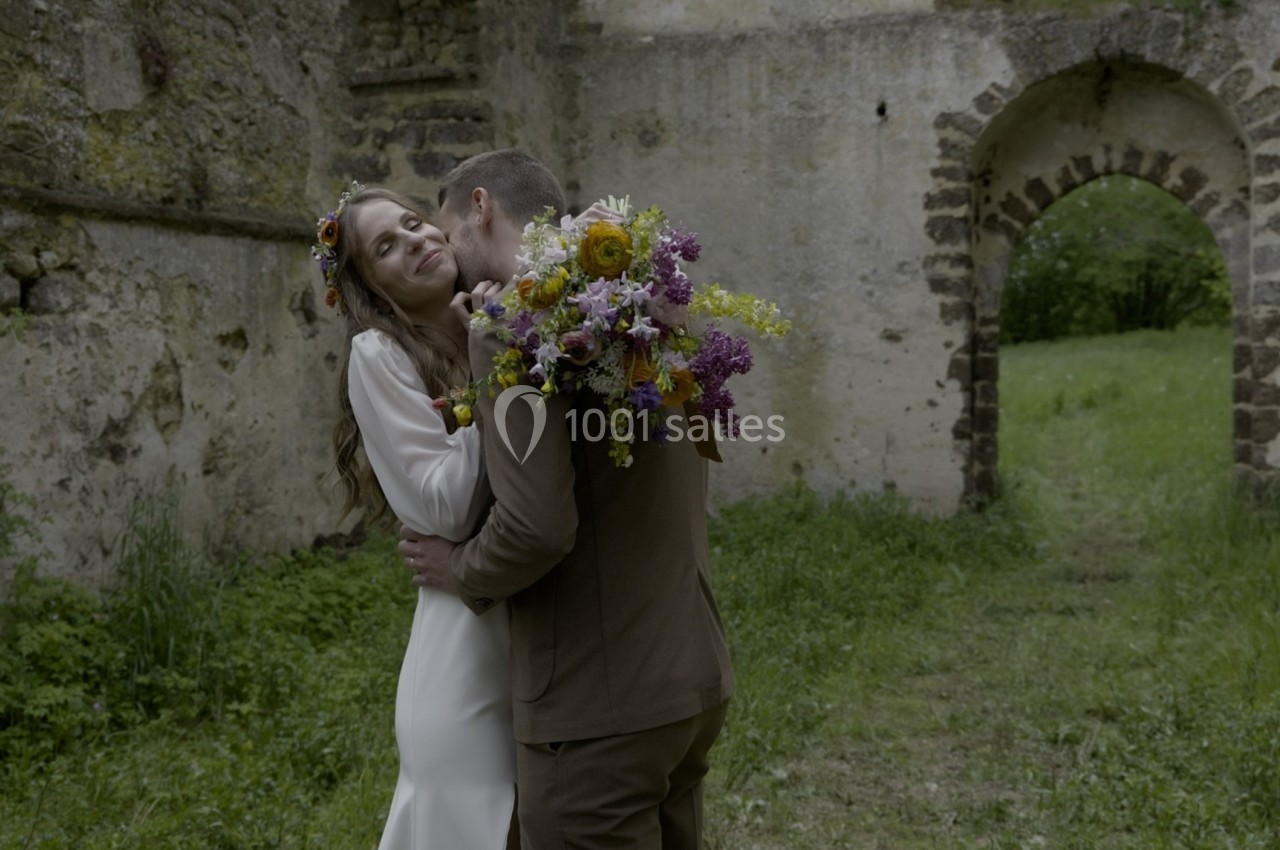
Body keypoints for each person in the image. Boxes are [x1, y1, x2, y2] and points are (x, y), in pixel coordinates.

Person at [399, 149, 735, 848]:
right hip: (691, 679)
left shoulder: (513, 329)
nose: (443, 252)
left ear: (481, 206)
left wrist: (457, 569)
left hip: (597, 710)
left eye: (444, 228)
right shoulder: (654, 295)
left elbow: (537, 528)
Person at [318, 183, 518, 849]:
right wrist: (495, 375)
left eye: (413, 223)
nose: (416, 240)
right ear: (371, 289)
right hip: (467, 666)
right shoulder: (380, 357)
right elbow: (445, 506)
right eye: (386, 246)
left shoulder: (499, 318)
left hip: (539, 628)